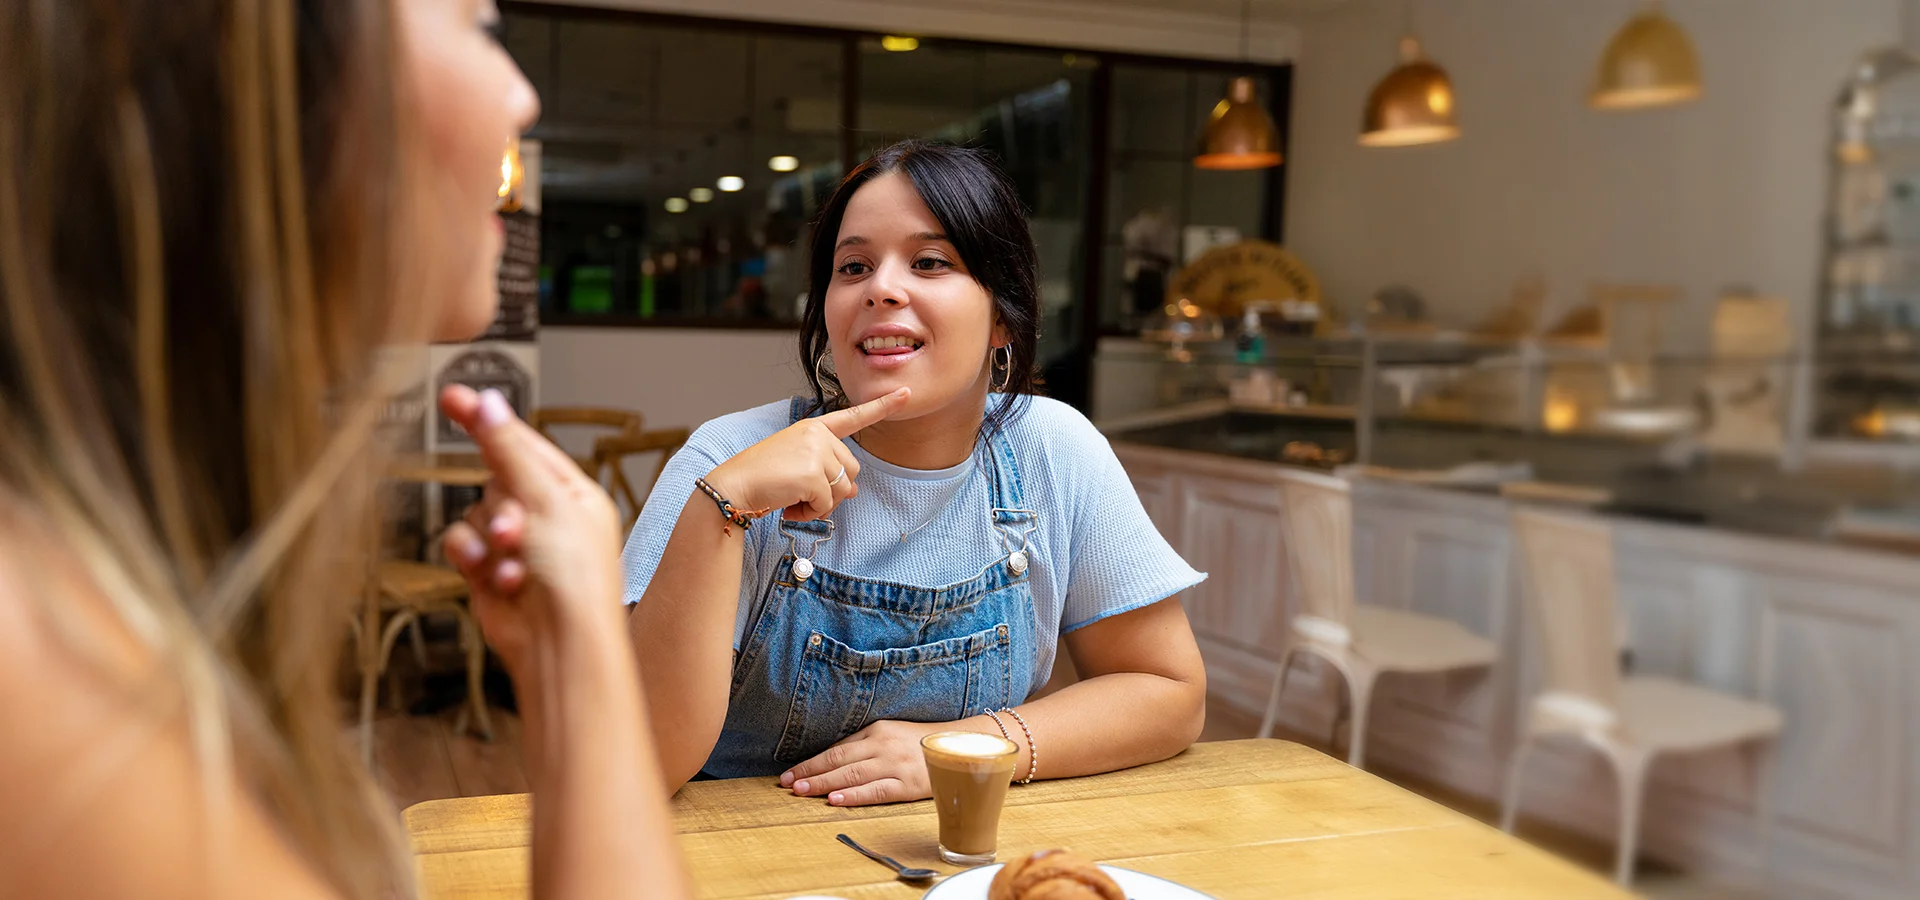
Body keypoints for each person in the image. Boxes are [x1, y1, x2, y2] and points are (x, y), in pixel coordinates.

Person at [0, 1, 689, 897]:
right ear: (275, 75)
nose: (522, 97)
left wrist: (570, 652)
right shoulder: (44, 671)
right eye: (478, 28)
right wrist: (587, 657)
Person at [624, 140, 1209, 805]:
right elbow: (635, 762)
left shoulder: (1054, 451)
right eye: (853, 267)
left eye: (930, 262)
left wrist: (970, 749)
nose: (882, 288)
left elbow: (1168, 691)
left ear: (1002, 315)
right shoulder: (724, 459)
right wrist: (720, 506)